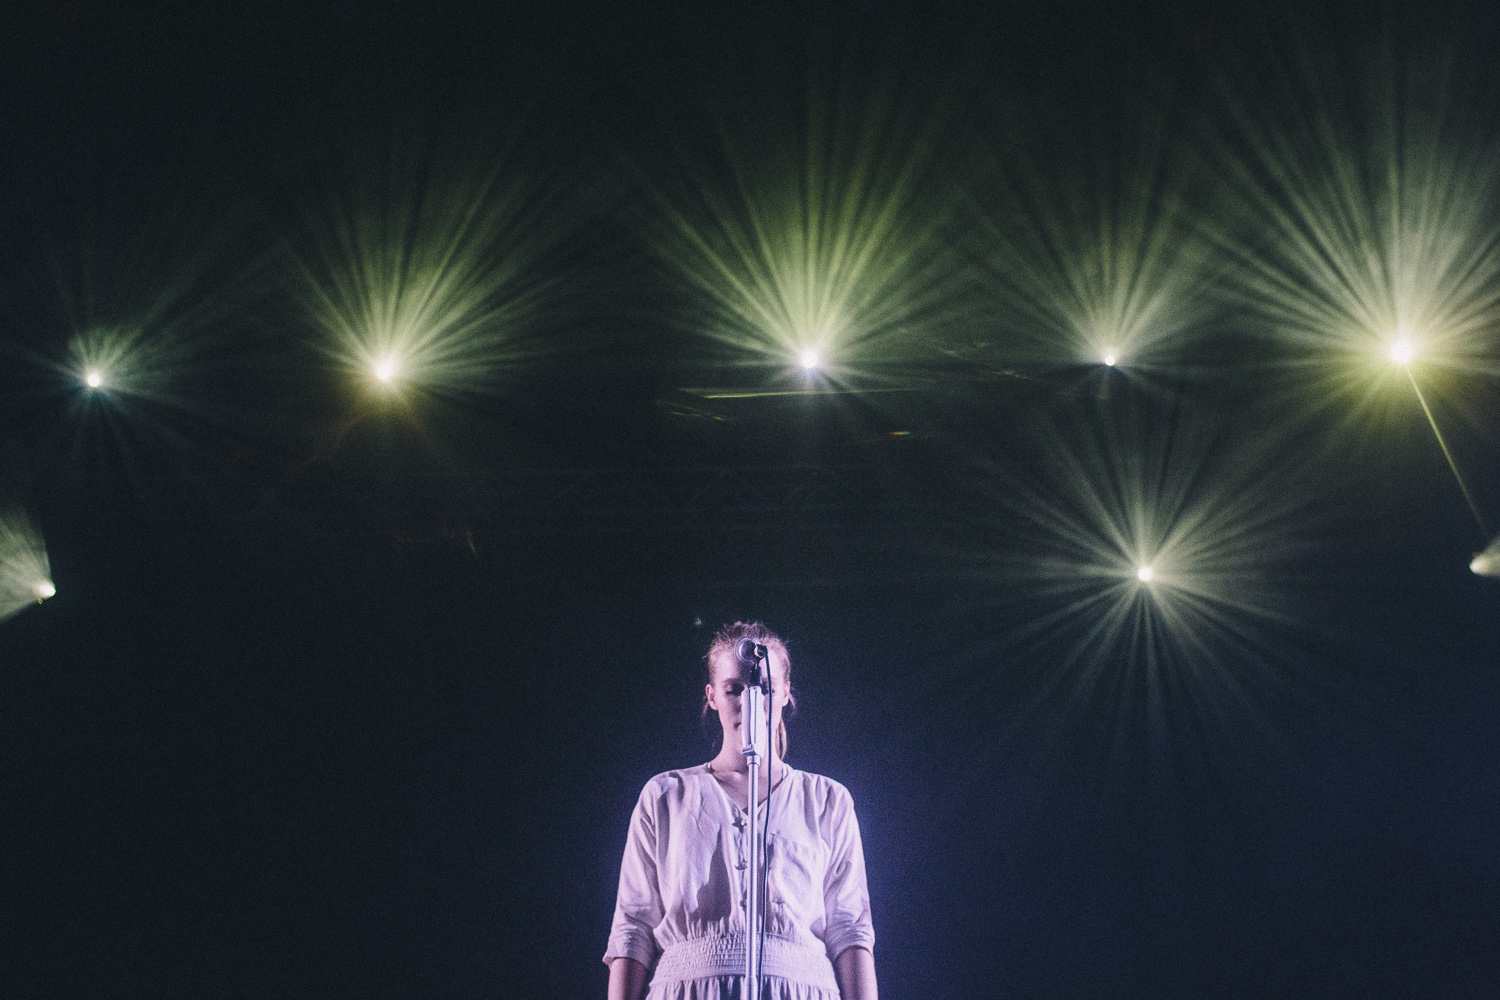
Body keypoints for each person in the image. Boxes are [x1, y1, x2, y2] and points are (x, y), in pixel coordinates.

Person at [604, 622, 878, 1000]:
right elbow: (633, 928)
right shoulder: (665, 796)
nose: (750, 701)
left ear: (785, 693)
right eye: (734, 689)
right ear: (712, 695)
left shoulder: (827, 800)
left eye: (764, 687)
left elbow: (850, 930)